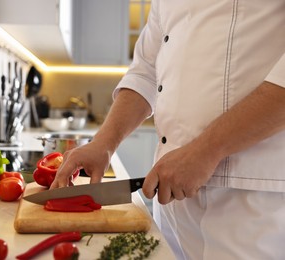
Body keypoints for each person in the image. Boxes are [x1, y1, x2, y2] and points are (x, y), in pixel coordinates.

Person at [51, 1, 285, 259]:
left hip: (250, 200)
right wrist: (102, 143)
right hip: (172, 193)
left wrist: (205, 151)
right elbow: (145, 72)